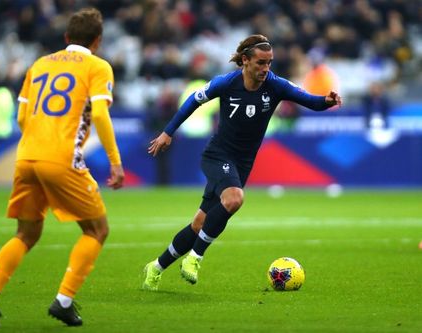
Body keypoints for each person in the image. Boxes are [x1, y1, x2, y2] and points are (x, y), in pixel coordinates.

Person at [142, 34, 341, 291]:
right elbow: (193, 101)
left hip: (243, 163)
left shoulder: (276, 85)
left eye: (269, 63)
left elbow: (309, 100)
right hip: (218, 155)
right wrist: (168, 132)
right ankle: (195, 258)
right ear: (245, 61)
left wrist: (327, 101)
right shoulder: (226, 83)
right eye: (260, 63)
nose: (265, 68)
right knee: (234, 199)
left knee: (200, 223)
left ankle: (155, 267)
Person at [0, 7, 124, 328]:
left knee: (26, 233)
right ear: (97, 41)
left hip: (25, 156)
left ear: (66, 38)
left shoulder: (39, 64)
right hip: (61, 158)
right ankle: (64, 301)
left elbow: (22, 118)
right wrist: (115, 161)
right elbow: (98, 115)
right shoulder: (98, 67)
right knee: (97, 230)